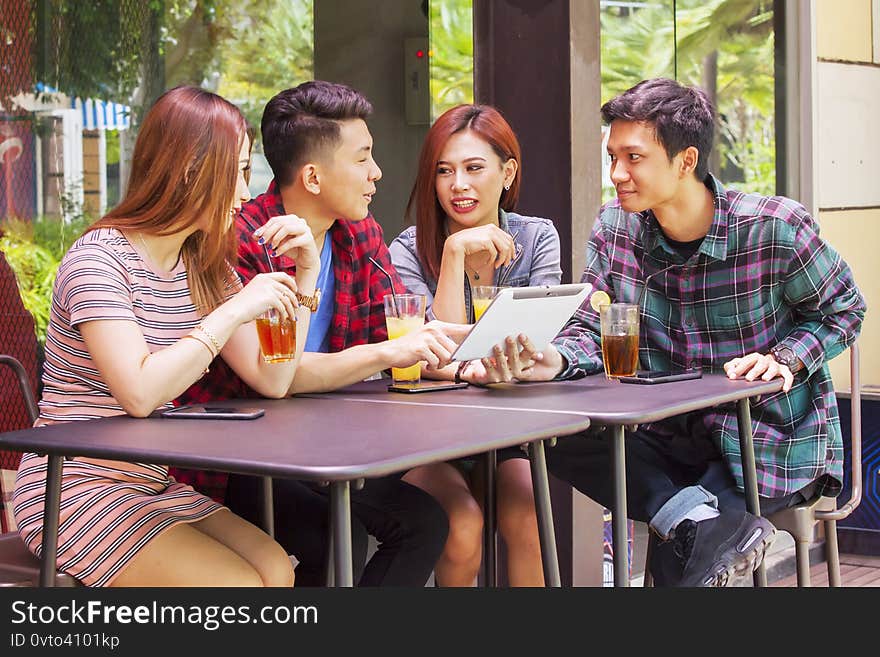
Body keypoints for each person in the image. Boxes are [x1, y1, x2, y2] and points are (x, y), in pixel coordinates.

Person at [464, 78, 866, 586]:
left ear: (685, 161)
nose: (616, 173)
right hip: (661, 432)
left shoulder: (773, 228)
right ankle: (689, 515)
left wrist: (786, 357)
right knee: (546, 433)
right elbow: (592, 323)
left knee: (686, 563)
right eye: (612, 156)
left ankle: (687, 519)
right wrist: (554, 360)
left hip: (763, 436)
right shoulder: (615, 227)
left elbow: (844, 310)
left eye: (634, 158)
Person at [11, 85, 318, 587]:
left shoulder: (203, 264)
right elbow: (139, 392)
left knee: (277, 570)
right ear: (192, 172)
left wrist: (307, 273)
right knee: (236, 587)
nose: (246, 193)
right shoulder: (99, 259)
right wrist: (236, 308)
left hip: (150, 481)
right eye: (238, 172)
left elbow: (273, 379)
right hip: (73, 486)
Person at [177, 80, 470, 587]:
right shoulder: (240, 241)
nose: (376, 173)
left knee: (426, 521)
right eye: (362, 158)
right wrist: (385, 352)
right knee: (332, 537)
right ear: (313, 176)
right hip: (243, 459)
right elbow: (279, 375)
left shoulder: (359, 232)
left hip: (333, 445)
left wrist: (487, 345)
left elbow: (410, 333)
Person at [388, 104, 562, 586]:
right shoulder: (406, 249)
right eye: (443, 171)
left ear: (507, 172)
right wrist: (453, 252)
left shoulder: (535, 237)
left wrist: (477, 357)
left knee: (528, 513)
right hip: (427, 437)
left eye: (473, 168)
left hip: (503, 427)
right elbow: (433, 353)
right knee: (462, 524)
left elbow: (537, 339)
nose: (457, 185)